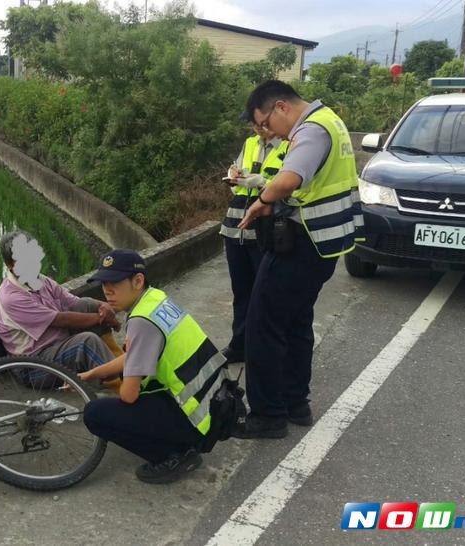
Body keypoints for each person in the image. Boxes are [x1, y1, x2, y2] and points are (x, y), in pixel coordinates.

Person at [234, 80, 363, 439]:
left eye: (266, 123)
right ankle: (295, 403)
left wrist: (264, 199)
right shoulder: (330, 120)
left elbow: (289, 179)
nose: (266, 132)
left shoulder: (312, 129)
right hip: (323, 243)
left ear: (281, 107)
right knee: (295, 322)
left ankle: (267, 415)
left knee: (262, 324)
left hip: (304, 242)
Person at [79, 250, 227, 484]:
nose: (107, 291)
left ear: (137, 281)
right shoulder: (155, 300)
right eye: (104, 284)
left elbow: (128, 395)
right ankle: (179, 441)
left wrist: (110, 383)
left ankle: (174, 456)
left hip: (197, 420)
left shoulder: (141, 321)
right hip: (216, 403)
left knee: (95, 414)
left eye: (114, 283)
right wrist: (91, 374)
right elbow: (133, 356)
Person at [0, 230, 123, 374]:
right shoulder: (11, 297)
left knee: (87, 304)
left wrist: (103, 306)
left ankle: (118, 360)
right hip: (34, 364)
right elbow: (61, 319)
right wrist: (102, 318)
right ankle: (121, 381)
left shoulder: (39, 279)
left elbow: (72, 301)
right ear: (10, 264)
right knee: (86, 342)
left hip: (58, 345)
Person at [219, 113, 288, 365]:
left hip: (266, 227)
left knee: (266, 293)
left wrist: (262, 183)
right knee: (242, 291)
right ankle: (239, 345)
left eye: (260, 123)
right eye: (252, 124)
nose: (256, 128)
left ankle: (264, 349)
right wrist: (234, 174)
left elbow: (288, 185)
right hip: (236, 226)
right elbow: (237, 180)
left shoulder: (289, 146)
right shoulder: (249, 144)